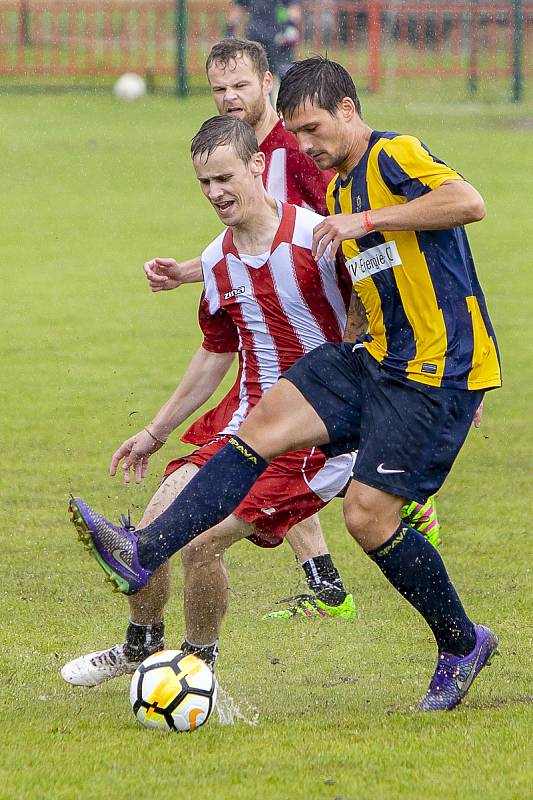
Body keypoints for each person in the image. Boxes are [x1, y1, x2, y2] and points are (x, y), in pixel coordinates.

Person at [69, 57, 502, 712]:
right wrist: (354, 314)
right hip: (374, 357)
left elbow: (468, 202)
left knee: (366, 517)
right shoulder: (336, 189)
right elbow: (370, 277)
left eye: (313, 129)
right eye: (296, 134)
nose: (304, 146)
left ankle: (459, 641)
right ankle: (145, 549)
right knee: (262, 422)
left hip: (433, 372)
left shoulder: (392, 156)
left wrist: (367, 221)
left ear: (348, 110)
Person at [62, 114, 360, 686]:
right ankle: (141, 645)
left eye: (225, 178)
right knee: (147, 534)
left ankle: (198, 668)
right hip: (246, 429)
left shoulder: (318, 239)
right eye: (204, 184)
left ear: (256, 166)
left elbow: (377, 314)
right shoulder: (217, 262)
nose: (216, 193)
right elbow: (213, 354)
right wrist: (154, 432)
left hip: (316, 439)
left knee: (200, 541)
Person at [226, 2, 301, 84]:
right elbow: (237, 8)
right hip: (257, 41)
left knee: (286, 77)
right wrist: (230, 32)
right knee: (258, 78)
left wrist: (291, 27)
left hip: (280, 41)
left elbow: (294, 9)